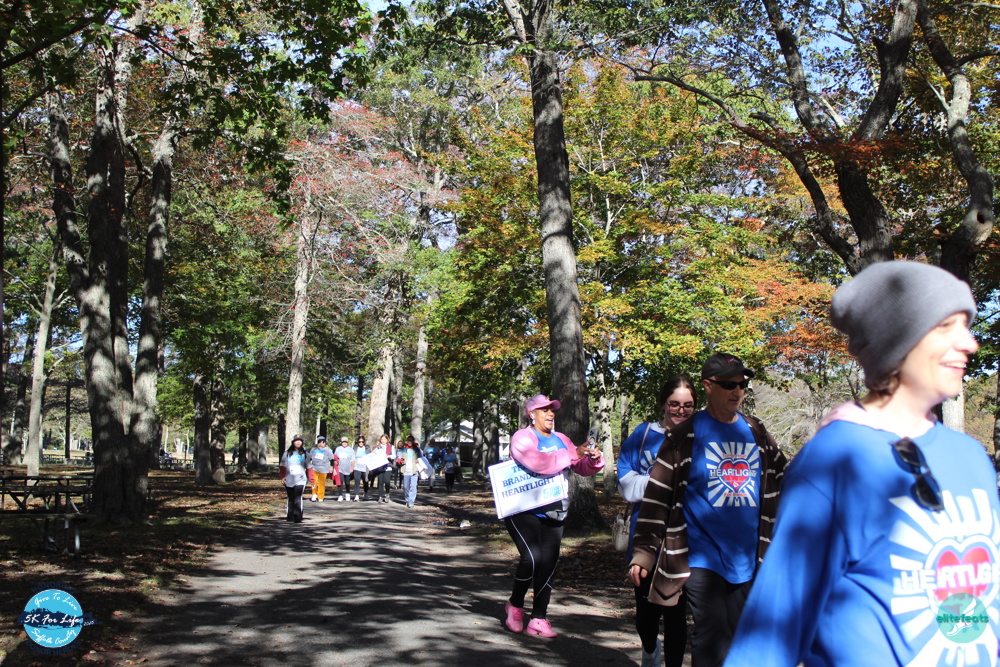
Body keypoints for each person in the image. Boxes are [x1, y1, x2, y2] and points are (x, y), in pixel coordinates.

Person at [724, 261, 1000, 667]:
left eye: (967, 326)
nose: (970, 344)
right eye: (946, 327)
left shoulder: (972, 457)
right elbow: (770, 638)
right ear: (898, 341)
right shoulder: (834, 461)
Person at [629, 353, 787, 667]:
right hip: (700, 556)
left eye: (742, 384)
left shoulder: (756, 431)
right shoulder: (684, 435)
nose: (737, 390)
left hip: (748, 555)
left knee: (739, 636)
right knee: (711, 634)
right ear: (708, 386)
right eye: (729, 384)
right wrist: (644, 552)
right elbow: (658, 496)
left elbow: (784, 477)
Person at [503, 394, 604, 639]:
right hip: (523, 509)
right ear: (532, 414)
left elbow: (578, 466)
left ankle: (539, 618)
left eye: (552, 410)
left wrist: (592, 459)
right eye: (544, 410)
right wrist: (573, 453)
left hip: (555, 509)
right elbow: (539, 462)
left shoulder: (561, 439)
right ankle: (515, 605)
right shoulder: (522, 438)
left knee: (548, 564)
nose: (550, 414)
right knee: (532, 558)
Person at [618, 376, 696, 667]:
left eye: (687, 405)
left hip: (686, 538)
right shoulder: (644, 434)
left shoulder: (701, 437)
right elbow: (625, 482)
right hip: (646, 536)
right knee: (646, 614)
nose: (680, 411)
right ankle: (650, 649)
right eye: (674, 404)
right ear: (664, 404)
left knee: (677, 614)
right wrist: (660, 485)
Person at [279, 435, 312, 522]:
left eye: (300, 441)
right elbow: (282, 466)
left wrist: (312, 480)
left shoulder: (305, 453)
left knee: (298, 497)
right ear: (293, 442)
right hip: (289, 478)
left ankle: (298, 516)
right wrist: (282, 476)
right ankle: (290, 516)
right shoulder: (287, 453)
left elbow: (309, 466)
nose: (298, 442)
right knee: (291, 498)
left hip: (301, 479)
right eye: (296, 441)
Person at [369, 433, 394, 503]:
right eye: (382, 439)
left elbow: (394, 456)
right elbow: (373, 455)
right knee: (380, 482)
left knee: (387, 481)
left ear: (387, 440)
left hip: (387, 466)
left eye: (384, 439)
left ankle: (387, 493)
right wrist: (374, 451)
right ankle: (380, 496)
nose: (383, 441)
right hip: (380, 466)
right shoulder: (378, 447)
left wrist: (388, 456)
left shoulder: (391, 447)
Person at [309, 436, 335, 502]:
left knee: (321, 483)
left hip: (324, 469)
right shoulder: (314, 449)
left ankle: (320, 496)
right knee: (314, 481)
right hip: (314, 468)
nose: (324, 443)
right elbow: (310, 458)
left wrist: (331, 466)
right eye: (322, 442)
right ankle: (314, 494)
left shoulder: (328, 450)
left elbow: (332, 459)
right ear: (319, 443)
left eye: (324, 442)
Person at [400, 435, 423, 508]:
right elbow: (400, 458)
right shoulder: (404, 449)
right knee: (406, 487)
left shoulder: (417, 449)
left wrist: (418, 460)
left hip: (414, 470)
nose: (409, 442)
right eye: (408, 440)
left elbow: (421, 458)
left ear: (413, 441)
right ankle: (407, 499)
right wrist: (401, 461)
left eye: (411, 440)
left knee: (413, 486)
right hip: (406, 470)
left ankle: (411, 502)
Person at [334, 436, 355, 502]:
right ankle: (340, 495)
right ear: (341, 442)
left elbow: (353, 459)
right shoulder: (338, 449)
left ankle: (347, 494)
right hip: (340, 468)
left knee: (347, 482)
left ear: (347, 442)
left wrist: (352, 467)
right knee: (340, 482)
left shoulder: (350, 450)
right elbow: (335, 457)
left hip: (348, 468)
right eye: (343, 442)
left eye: (345, 442)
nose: (344, 443)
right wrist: (335, 463)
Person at [353, 436, 369, 501]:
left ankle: (366, 493)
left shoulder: (367, 448)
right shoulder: (355, 448)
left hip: (365, 468)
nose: (361, 443)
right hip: (357, 467)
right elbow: (352, 457)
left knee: (365, 481)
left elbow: (370, 457)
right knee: (357, 481)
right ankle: (356, 495)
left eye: (362, 441)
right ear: (357, 442)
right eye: (359, 442)